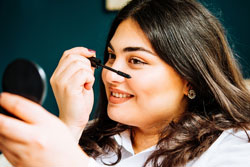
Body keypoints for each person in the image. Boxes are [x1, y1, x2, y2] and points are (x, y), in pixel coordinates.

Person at [0, 0, 250, 166]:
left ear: (190, 79)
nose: (109, 75)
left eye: (136, 61)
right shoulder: (90, 136)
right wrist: (70, 126)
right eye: (111, 56)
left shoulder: (235, 148)